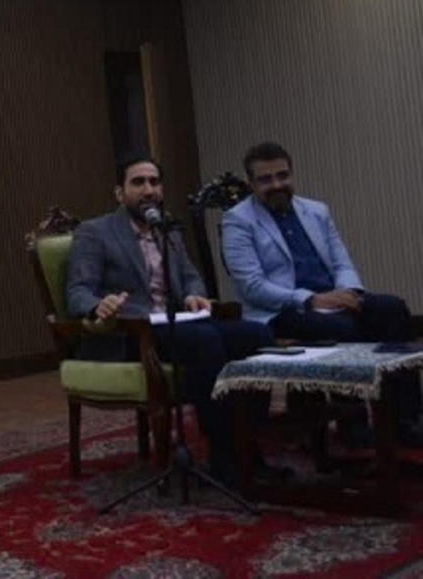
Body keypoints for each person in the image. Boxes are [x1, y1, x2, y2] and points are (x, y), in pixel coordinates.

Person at [66, 154, 279, 485]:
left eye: (154, 182)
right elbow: (77, 291)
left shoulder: (166, 229)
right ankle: (224, 457)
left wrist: (194, 295)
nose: (148, 190)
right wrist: (99, 305)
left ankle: (249, 448)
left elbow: (191, 278)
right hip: (132, 333)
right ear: (120, 192)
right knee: (207, 341)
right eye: (138, 182)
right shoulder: (95, 232)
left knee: (256, 336)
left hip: (177, 324)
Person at [222, 141, 421, 443]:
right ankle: (352, 425)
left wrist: (349, 292)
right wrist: (311, 299)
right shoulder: (238, 220)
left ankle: (404, 420)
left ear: (292, 174)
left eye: (283, 176)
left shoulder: (316, 210)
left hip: (332, 299)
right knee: (342, 328)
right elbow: (252, 286)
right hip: (282, 310)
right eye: (266, 179)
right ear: (251, 183)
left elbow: (341, 262)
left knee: (392, 309)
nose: (277, 185)